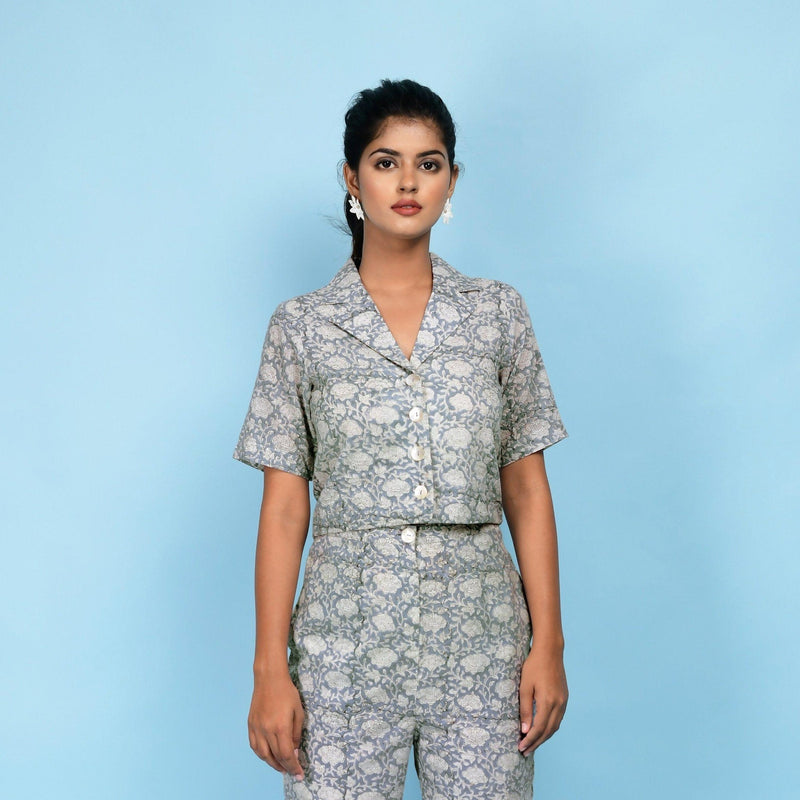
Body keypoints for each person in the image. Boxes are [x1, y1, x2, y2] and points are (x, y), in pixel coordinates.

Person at [232, 78, 569, 800]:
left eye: (430, 162)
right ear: (352, 178)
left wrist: (549, 646)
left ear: (452, 180)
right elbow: (286, 507)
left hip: (482, 647)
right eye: (386, 162)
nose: (409, 181)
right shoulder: (301, 327)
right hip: (340, 649)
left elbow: (527, 491)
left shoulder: (497, 315)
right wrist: (270, 669)